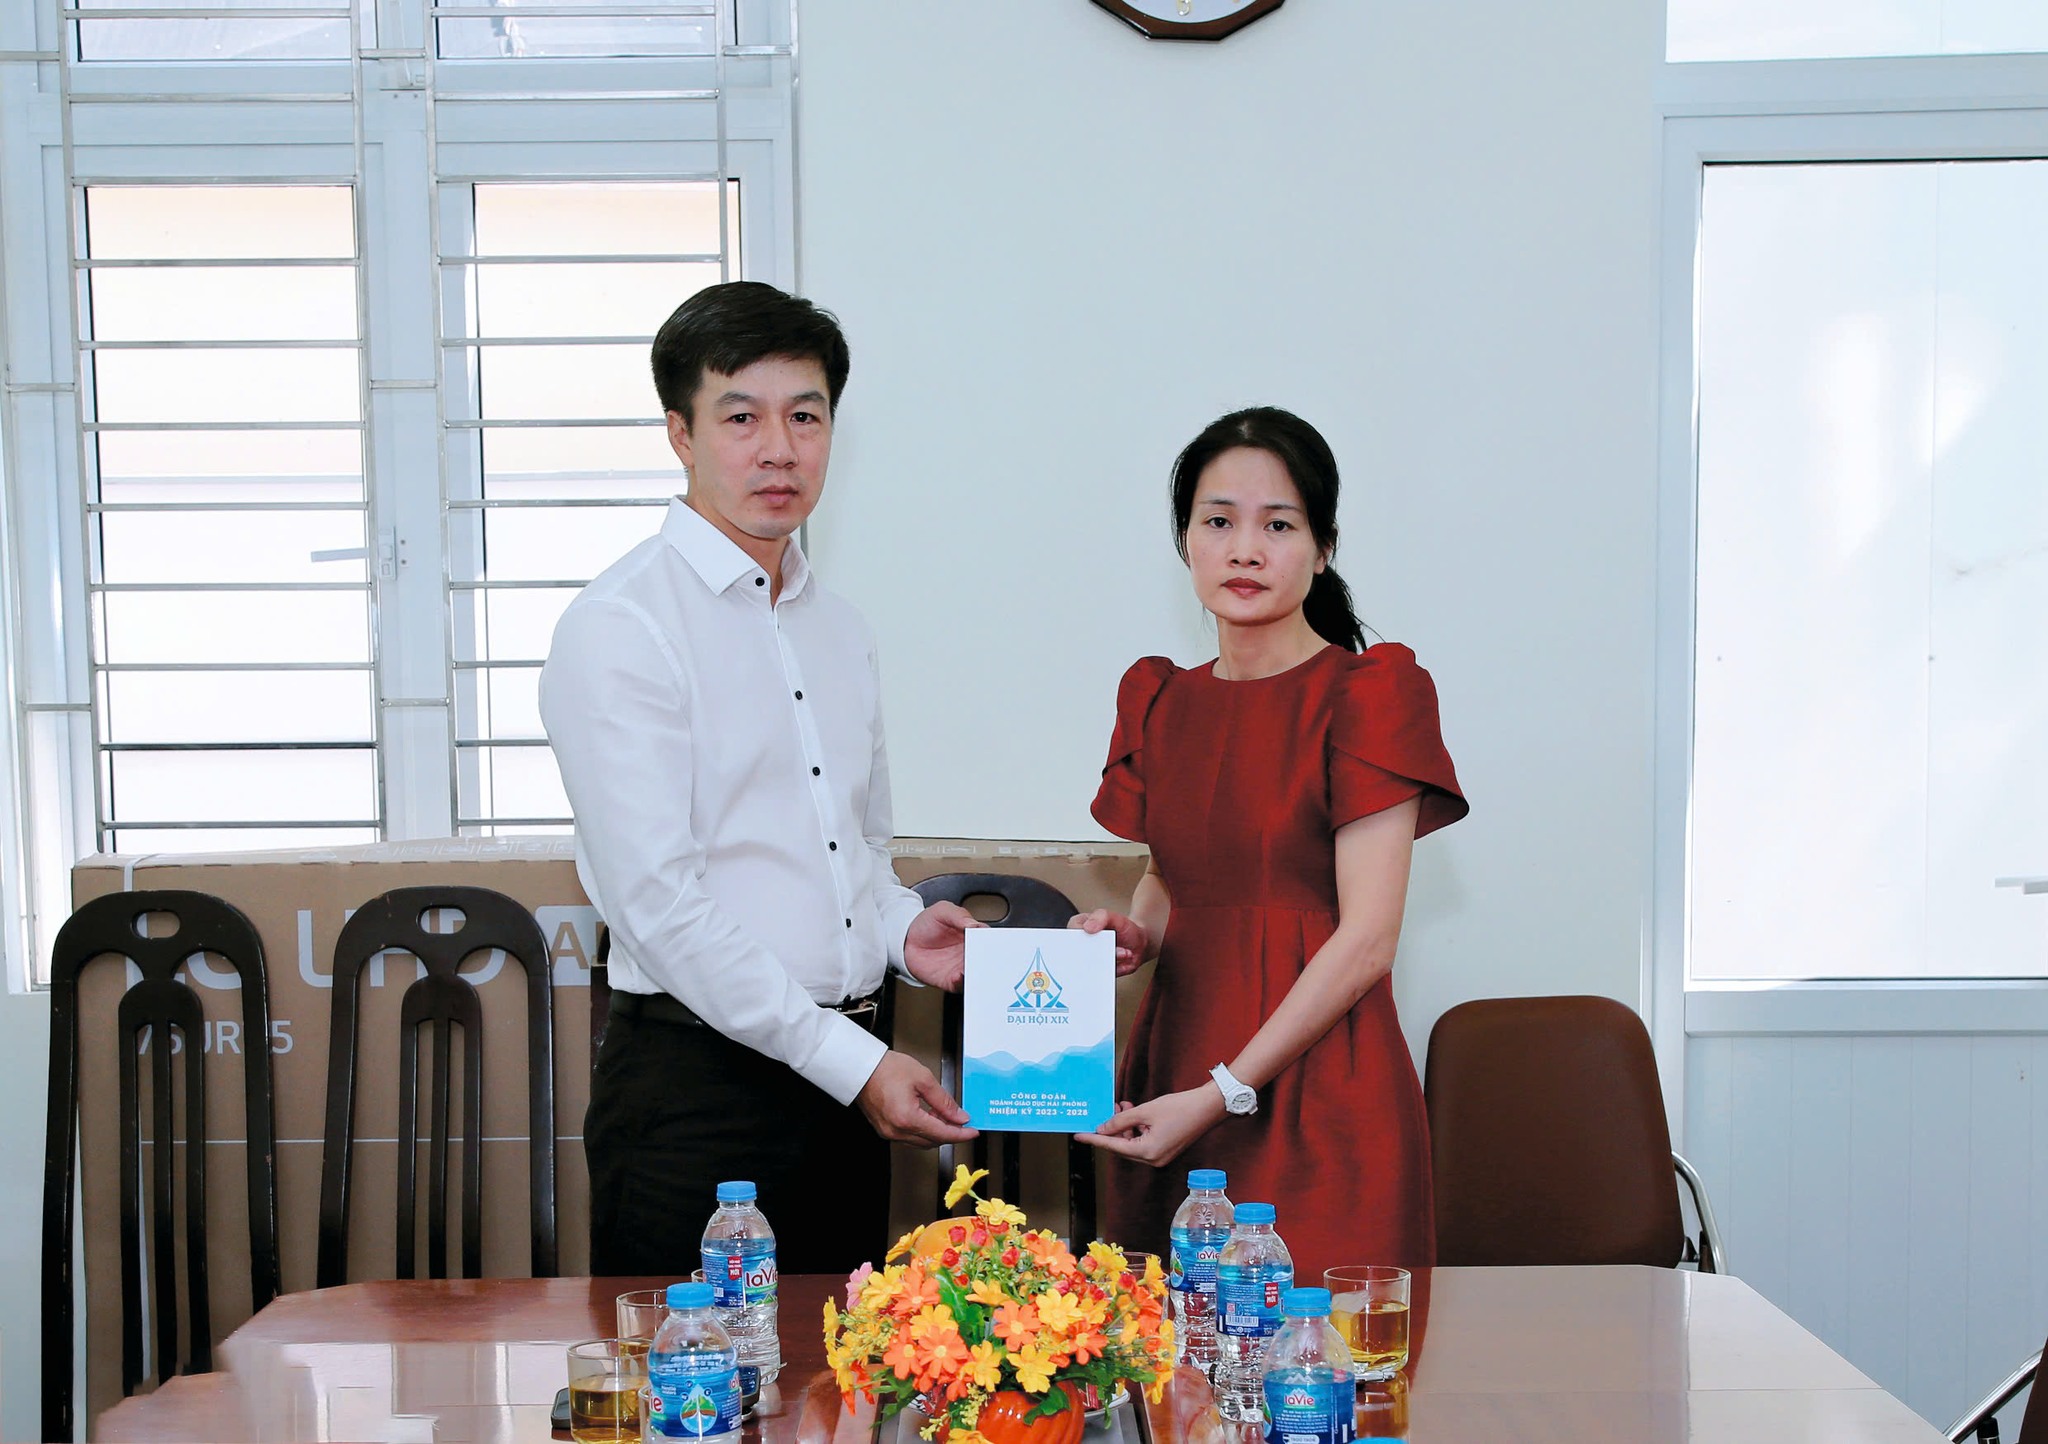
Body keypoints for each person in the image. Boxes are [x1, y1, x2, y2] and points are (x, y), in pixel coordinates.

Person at [539, 280, 979, 1277]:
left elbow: (856, 853)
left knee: (836, 1372)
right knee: (695, 1376)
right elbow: (660, 905)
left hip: (847, 1098)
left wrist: (901, 931)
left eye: (805, 417)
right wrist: (850, 1062)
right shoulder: (620, 628)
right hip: (697, 1098)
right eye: (741, 417)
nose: (779, 448)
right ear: (681, 434)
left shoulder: (841, 630)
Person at [1071, 406, 1467, 1284]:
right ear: (1185, 541)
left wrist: (1223, 1091)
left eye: (1278, 526)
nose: (1244, 550)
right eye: (1218, 522)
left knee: (1322, 1356)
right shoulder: (1160, 699)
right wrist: (1132, 934)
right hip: (1175, 1070)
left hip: (1322, 1088)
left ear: (1323, 549)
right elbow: (1171, 882)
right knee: (1168, 1348)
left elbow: (1368, 938)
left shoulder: (1370, 695)